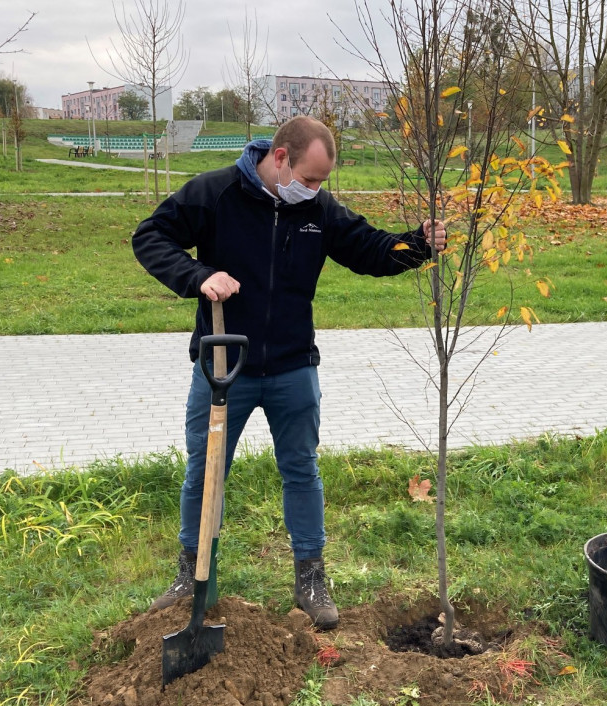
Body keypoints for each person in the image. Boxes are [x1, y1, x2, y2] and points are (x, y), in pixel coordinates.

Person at [133, 116, 446, 629]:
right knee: (206, 473)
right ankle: (191, 575)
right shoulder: (215, 194)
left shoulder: (317, 211)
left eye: (323, 182)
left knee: (301, 470)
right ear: (280, 158)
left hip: (292, 367)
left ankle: (310, 578)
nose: (317, 190)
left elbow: (369, 249)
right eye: (312, 178)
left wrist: (420, 244)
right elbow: (150, 237)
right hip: (222, 367)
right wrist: (198, 275)